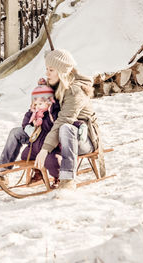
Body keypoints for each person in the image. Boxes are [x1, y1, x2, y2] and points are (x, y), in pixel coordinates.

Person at [34, 49, 106, 190]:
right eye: (46, 69)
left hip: (85, 139)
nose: (47, 73)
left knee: (66, 128)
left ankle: (67, 180)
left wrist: (45, 149)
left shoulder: (75, 91)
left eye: (51, 70)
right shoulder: (58, 87)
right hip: (64, 139)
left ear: (62, 72)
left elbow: (64, 120)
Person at [0, 79, 61, 188]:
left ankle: (42, 171)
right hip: (36, 134)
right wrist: (27, 126)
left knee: (48, 154)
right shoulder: (36, 107)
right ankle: (2, 173)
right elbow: (28, 116)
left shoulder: (54, 107)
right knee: (15, 132)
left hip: (49, 137)